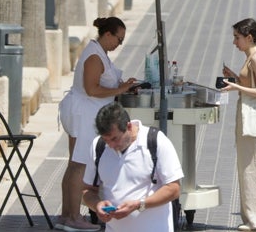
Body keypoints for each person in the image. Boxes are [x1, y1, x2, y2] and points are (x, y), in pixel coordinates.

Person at [58, 17, 137, 231]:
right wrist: (119, 90)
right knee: (79, 165)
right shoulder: (94, 56)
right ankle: (73, 216)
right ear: (107, 34)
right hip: (83, 113)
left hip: (82, 112)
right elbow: (92, 89)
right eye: (118, 39)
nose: (118, 44)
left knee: (75, 164)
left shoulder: (100, 53)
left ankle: (67, 215)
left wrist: (122, 86)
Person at [81, 103, 183, 232]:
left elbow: (174, 189)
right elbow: (87, 190)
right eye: (106, 140)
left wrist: (139, 205)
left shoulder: (156, 141)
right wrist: (97, 205)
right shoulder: (98, 146)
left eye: (115, 139)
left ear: (128, 126)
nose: (111, 145)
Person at [221, 19, 256, 231]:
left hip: (253, 115)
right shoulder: (251, 57)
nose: (235, 42)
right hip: (247, 113)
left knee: (253, 167)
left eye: (237, 37)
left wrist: (235, 87)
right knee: (248, 167)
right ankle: (253, 217)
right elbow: (251, 84)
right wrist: (234, 77)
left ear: (249, 37)